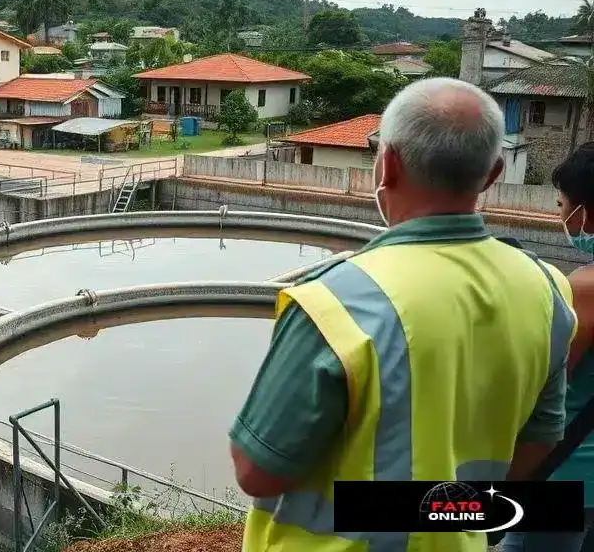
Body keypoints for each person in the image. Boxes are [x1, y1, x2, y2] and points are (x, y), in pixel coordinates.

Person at [229, 77, 575, 551]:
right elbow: (538, 442)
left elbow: (258, 472)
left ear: (386, 164)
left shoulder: (334, 300)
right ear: (493, 173)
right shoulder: (547, 288)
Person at [502, 143, 594, 552]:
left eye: (562, 204)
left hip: (568, 472)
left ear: (585, 212)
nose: (561, 216)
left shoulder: (586, 288)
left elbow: (548, 389)